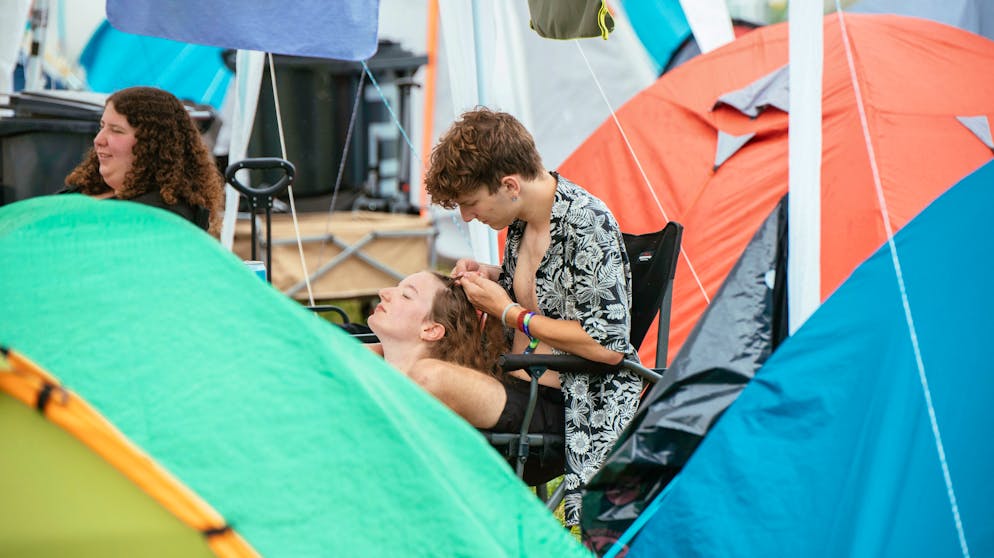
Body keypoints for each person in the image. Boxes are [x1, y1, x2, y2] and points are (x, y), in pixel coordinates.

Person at [420, 107, 641, 527]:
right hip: (520, 386)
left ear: (509, 185)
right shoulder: (524, 220)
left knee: (427, 384)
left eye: (471, 203)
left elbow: (608, 347)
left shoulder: (584, 224)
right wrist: (490, 276)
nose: (467, 217)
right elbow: (546, 295)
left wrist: (509, 313)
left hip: (567, 407)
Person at [63, 86, 225, 235]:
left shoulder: (160, 218)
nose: (98, 139)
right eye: (102, 126)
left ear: (153, 144)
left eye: (116, 131)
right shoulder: (93, 185)